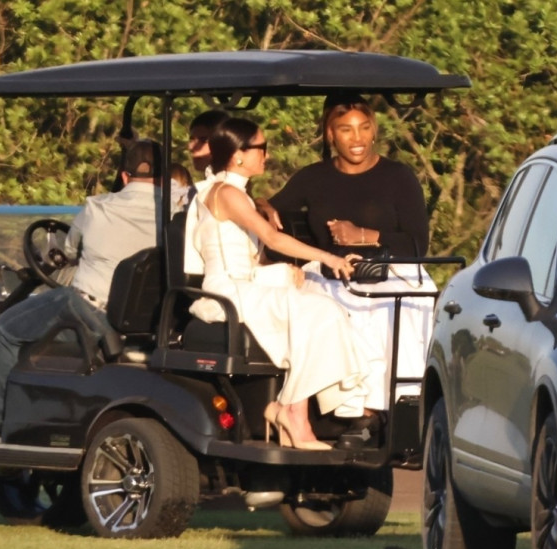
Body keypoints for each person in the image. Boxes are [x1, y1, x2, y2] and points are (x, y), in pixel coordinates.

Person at [187, 117, 380, 450]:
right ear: (238, 156)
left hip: (245, 285)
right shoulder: (225, 193)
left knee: (324, 305)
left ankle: (328, 409)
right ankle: (293, 412)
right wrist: (332, 259)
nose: (267, 155)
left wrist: (282, 271)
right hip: (227, 293)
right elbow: (272, 239)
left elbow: (252, 255)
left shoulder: (241, 196)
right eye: (261, 148)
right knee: (312, 310)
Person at [0, 139, 163, 444]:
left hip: (92, 311)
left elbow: (68, 250)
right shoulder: (179, 207)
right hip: (151, 318)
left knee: (6, 327)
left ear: (124, 176)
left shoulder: (97, 207)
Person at [260, 94, 437, 425]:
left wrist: (364, 235)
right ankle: (357, 411)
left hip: (390, 271)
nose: (357, 139)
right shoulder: (314, 177)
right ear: (331, 134)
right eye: (346, 130)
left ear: (373, 131)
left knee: (390, 309)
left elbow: (417, 245)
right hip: (332, 275)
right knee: (331, 307)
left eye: (364, 128)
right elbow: (269, 209)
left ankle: (397, 407)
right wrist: (265, 206)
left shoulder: (398, 177)